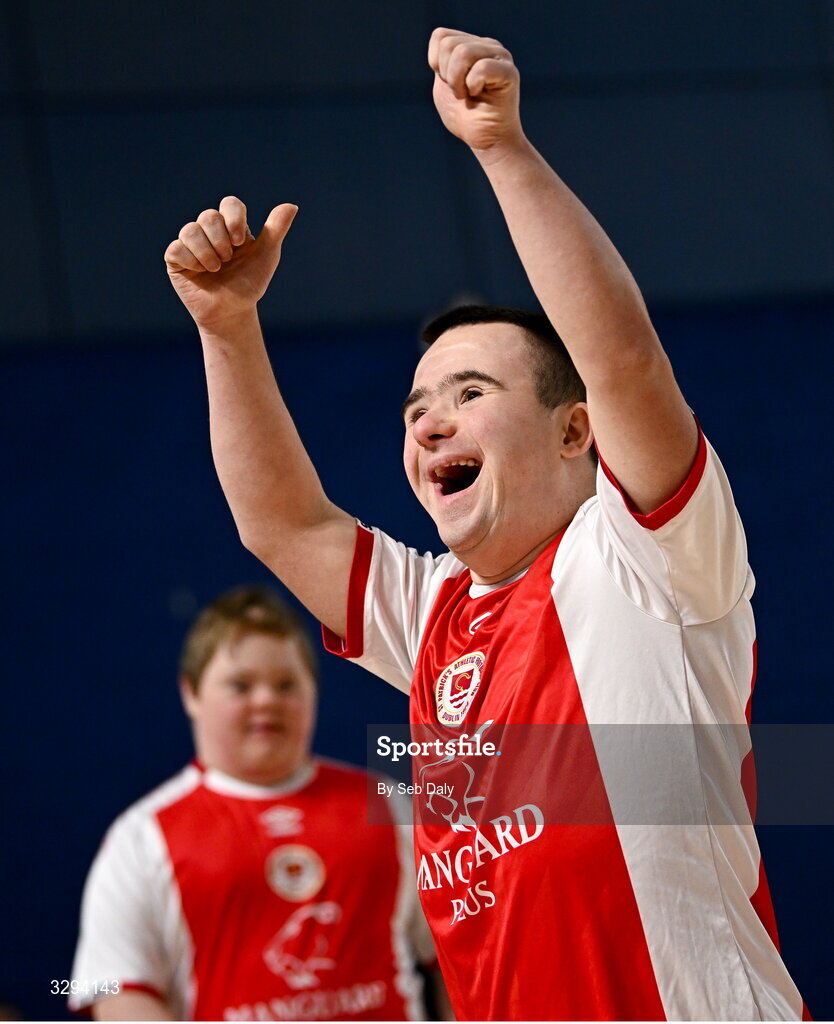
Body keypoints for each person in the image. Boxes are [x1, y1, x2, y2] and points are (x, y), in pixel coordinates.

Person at [162, 26, 806, 1022]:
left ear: (573, 429)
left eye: (469, 391)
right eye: (417, 406)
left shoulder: (647, 558)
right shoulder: (431, 617)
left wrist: (501, 147)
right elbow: (281, 521)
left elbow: (624, 359)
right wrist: (226, 329)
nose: (431, 420)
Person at [70, 587, 442, 1022]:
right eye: (240, 685)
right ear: (190, 693)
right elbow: (115, 992)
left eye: (286, 685)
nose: (266, 700)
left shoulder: (389, 804)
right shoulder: (141, 838)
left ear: (314, 692)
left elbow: (461, 952)